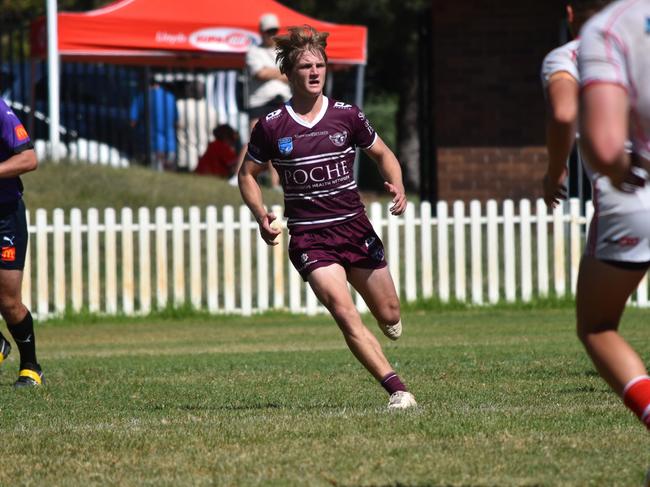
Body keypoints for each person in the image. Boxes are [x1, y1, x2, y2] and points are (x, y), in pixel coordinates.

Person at [238, 25, 416, 410]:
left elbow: (384, 155)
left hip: (354, 228)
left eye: (319, 65)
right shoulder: (271, 126)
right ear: (288, 72)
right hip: (310, 238)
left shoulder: (346, 116)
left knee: (390, 314)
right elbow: (246, 175)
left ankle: (388, 323)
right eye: (305, 66)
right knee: (343, 311)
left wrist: (397, 184)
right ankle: (397, 390)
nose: (314, 72)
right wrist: (260, 215)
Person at [574, 0, 650, 435]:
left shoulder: (608, 28)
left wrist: (628, 168)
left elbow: (605, 147)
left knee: (598, 326)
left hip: (638, 200)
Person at [0, 96, 43, 387]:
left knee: (8, 301)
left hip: (5, 214)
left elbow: (29, 158)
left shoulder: (1, 111)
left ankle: (30, 367)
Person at [235, 13, 292, 190]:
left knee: (280, 142)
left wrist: (271, 72)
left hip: (281, 100)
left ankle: (275, 183)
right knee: (253, 140)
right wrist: (279, 73)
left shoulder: (283, 51)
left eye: (274, 31)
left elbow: (288, 73)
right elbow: (260, 73)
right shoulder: (254, 51)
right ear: (261, 32)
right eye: (268, 31)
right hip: (259, 102)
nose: (271, 34)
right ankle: (238, 175)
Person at [130, 79, 178, 171]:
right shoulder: (171, 97)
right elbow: (176, 121)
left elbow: (133, 122)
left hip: (152, 146)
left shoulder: (142, 97)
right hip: (171, 147)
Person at [176, 80, 218, 172]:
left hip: (184, 156)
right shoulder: (211, 109)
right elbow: (213, 131)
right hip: (204, 153)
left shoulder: (180, 105)